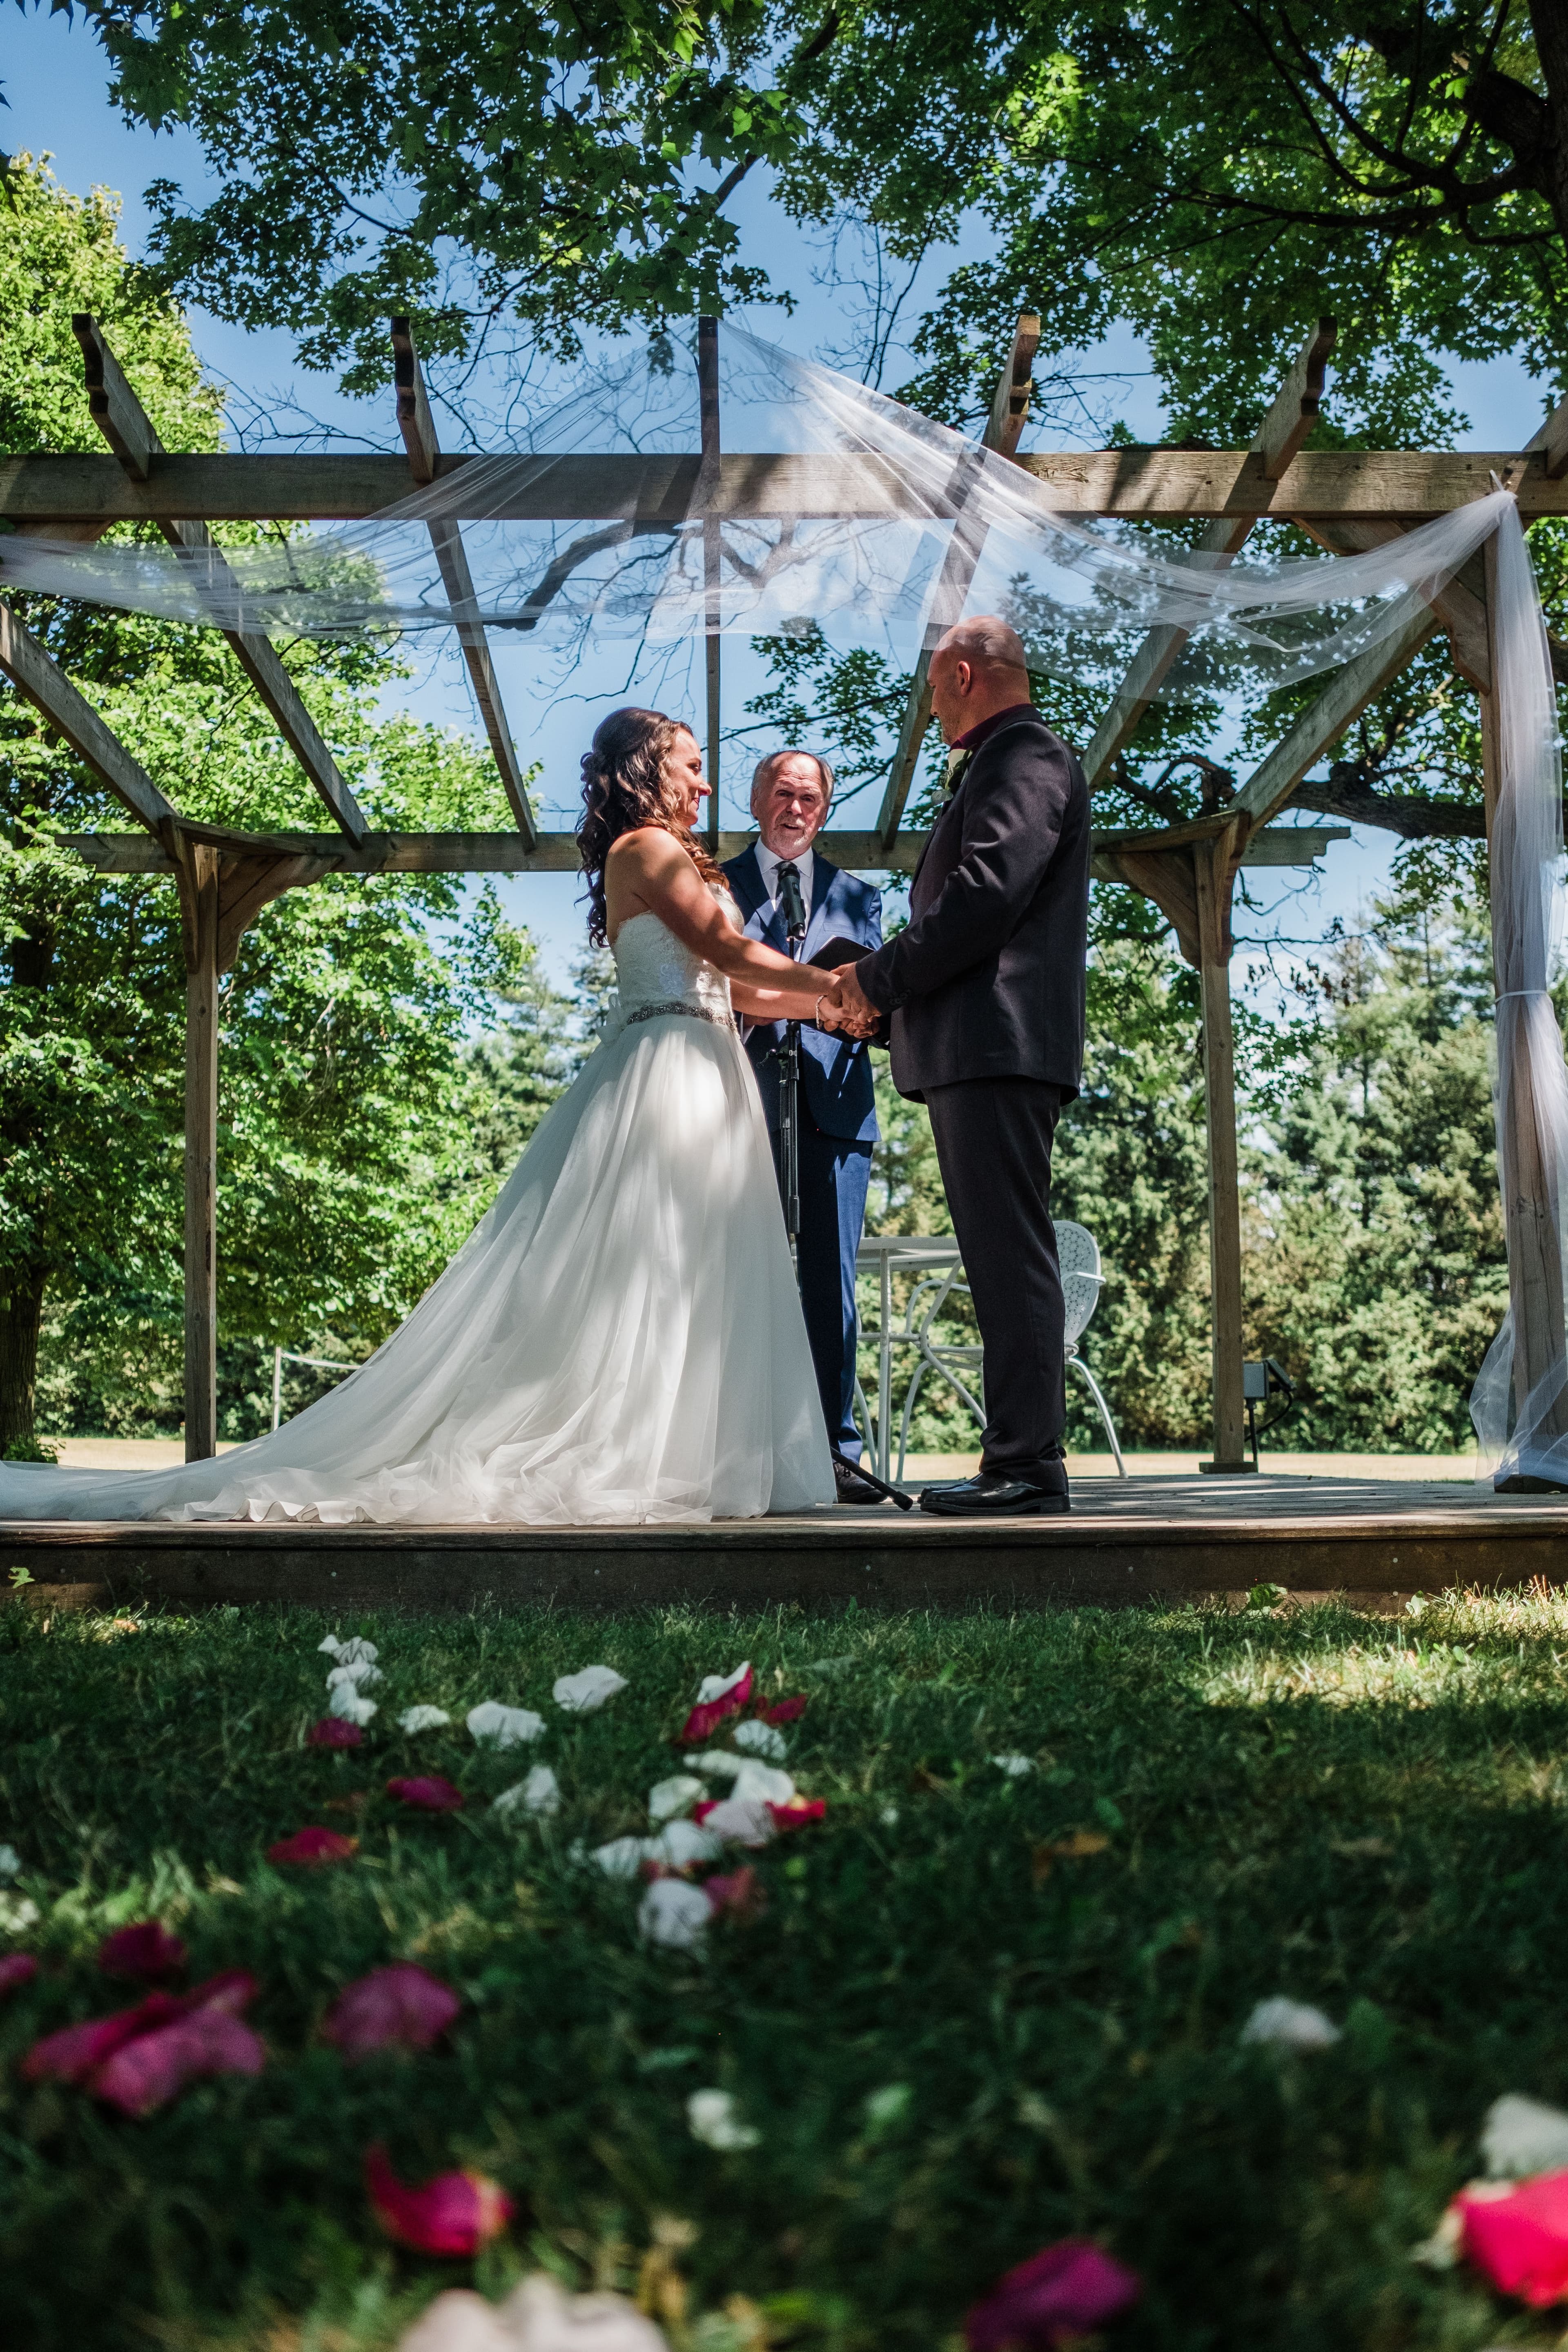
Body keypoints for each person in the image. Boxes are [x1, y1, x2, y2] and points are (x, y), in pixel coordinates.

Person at [0, 709, 842, 1528]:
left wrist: (827, 1012)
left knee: (690, 1269)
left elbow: (739, 989)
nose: (703, 780)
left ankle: (682, 1453)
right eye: (689, 763)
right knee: (647, 1263)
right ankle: (628, 1450)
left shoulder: (686, 859)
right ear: (646, 769)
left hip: (708, 1067)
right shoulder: (646, 848)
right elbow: (734, 956)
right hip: (666, 1074)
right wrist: (843, 988)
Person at [826, 618, 1090, 1517]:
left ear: (965, 673)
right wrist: (887, 1006)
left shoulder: (1024, 755)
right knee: (997, 1251)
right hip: (978, 1047)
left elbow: (983, 900)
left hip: (998, 1046)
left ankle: (1028, 1467)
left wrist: (872, 977)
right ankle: (1016, 1460)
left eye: (936, 687)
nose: (932, 704)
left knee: (1009, 1253)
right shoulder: (1001, 761)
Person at [724, 750, 885, 1506]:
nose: (797, 807)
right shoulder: (716, 882)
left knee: (834, 1285)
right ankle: (739, 1448)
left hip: (837, 1106)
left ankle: (834, 1452)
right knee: (736, 1276)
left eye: (811, 796)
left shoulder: (861, 896)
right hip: (737, 1104)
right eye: (783, 793)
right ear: (757, 799)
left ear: (826, 808)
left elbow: (877, 996)